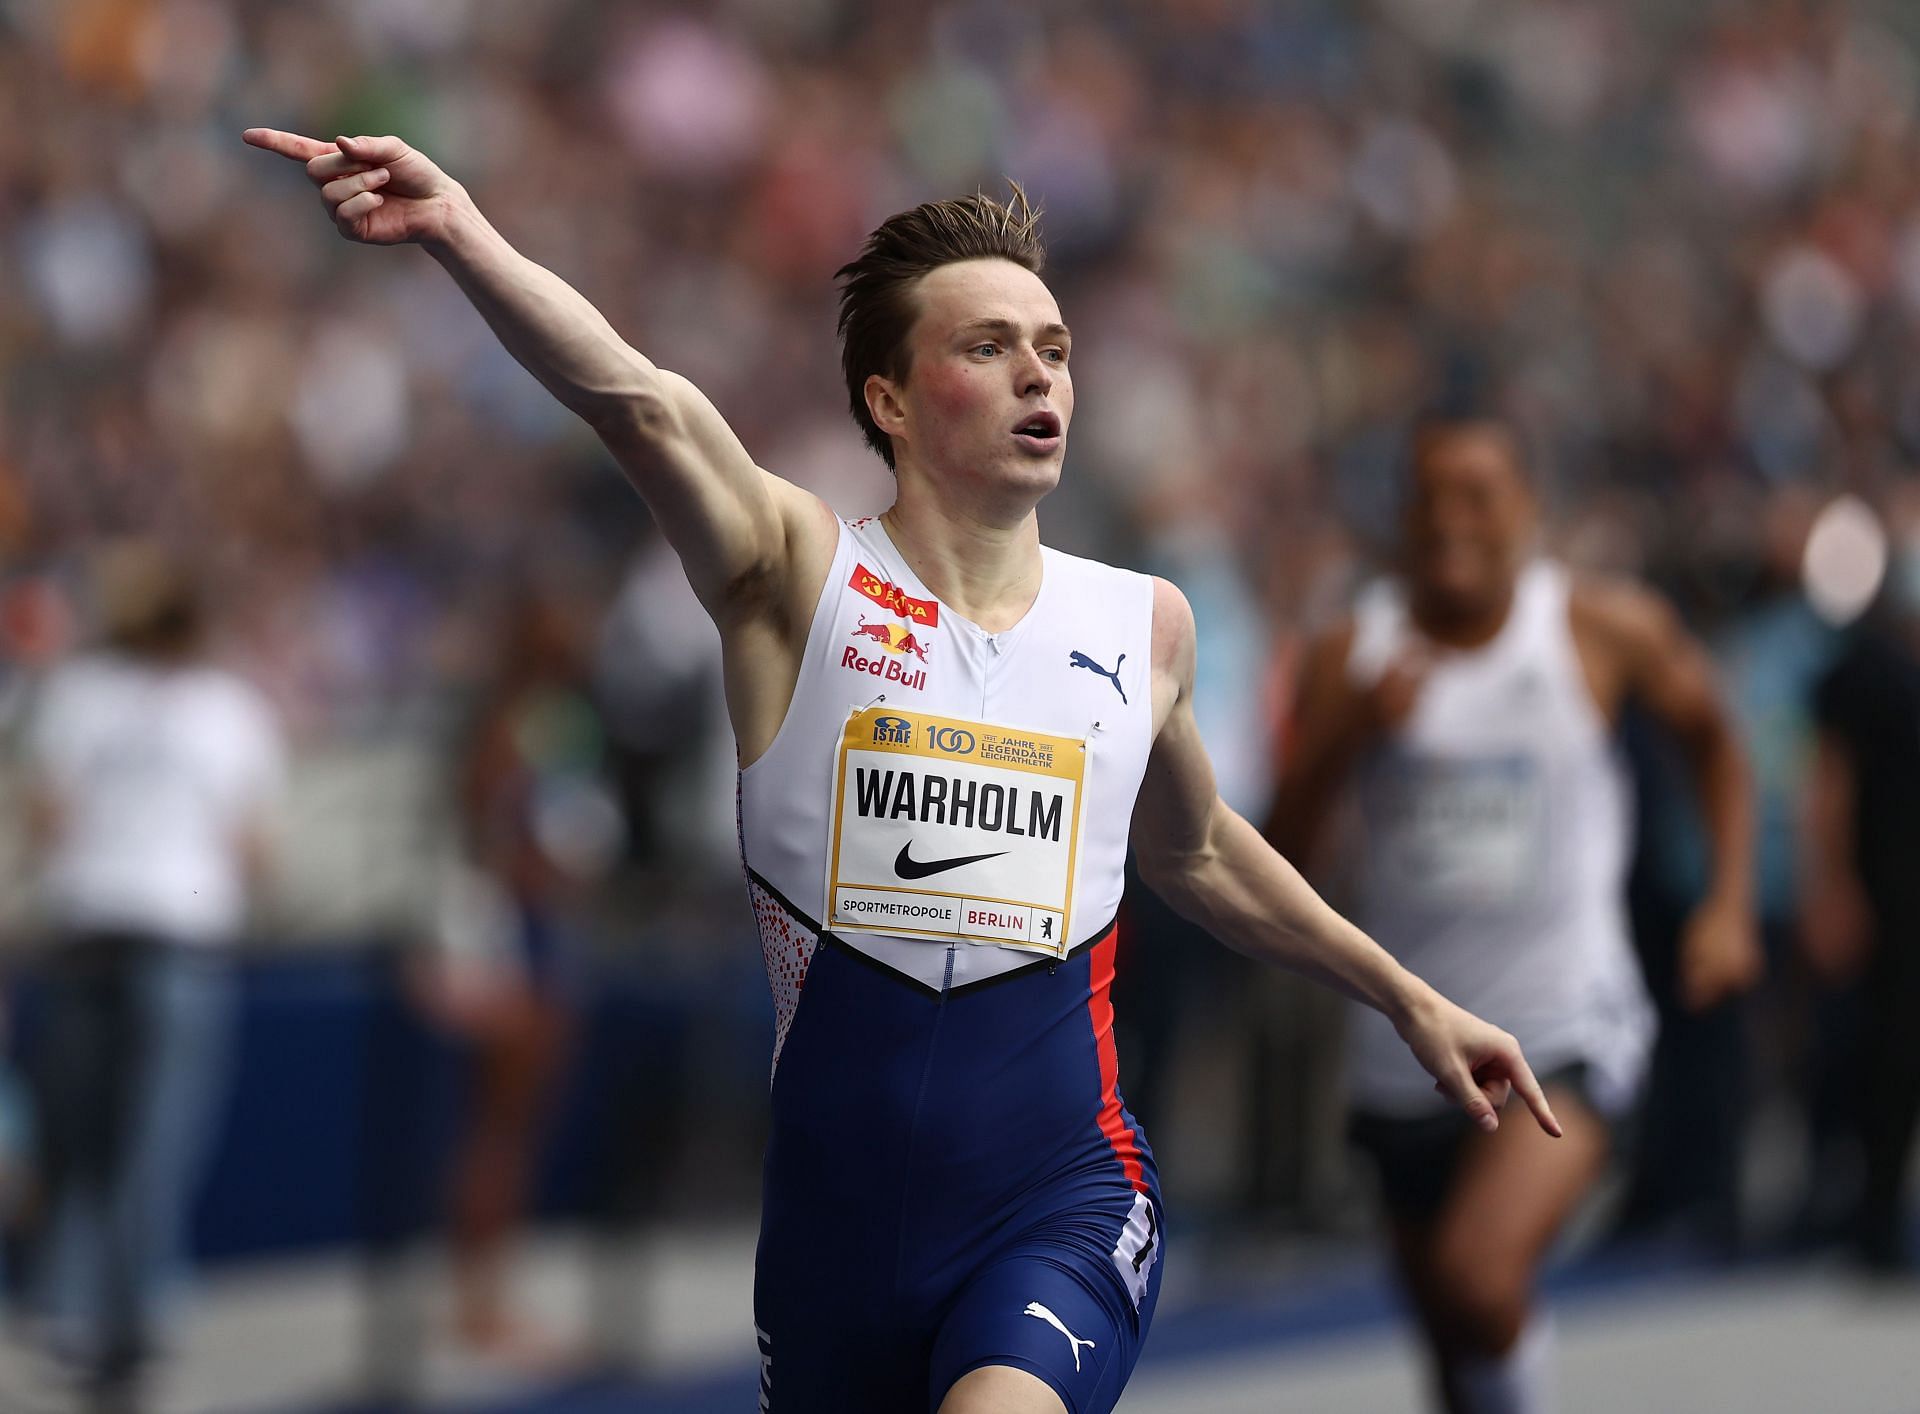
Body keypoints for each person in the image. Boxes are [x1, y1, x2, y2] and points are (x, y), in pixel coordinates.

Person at [244, 126, 1561, 1414]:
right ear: (889, 396)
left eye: (1053, 348)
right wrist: (460, 229)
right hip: (836, 1244)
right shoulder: (796, 577)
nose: (1039, 377)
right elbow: (639, 402)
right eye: (988, 348)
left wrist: (1405, 995)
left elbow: (1198, 846)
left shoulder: (1140, 624)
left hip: (1066, 1195)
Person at [1268, 416, 1759, 1414]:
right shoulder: (1350, 653)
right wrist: (1350, 731)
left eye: (1479, 495)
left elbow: (1717, 743)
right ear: (1399, 516)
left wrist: (1729, 905)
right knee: (1452, 1347)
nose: (1452, 520)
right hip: (1403, 1050)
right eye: (1429, 497)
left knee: (1479, 1280)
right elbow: (1280, 853)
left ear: (1527, 510)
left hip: (1564, 1022)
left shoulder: (1598, 627)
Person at [19, 541, 284, 1412]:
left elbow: (48, 819)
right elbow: (252, 848)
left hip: (93, 926)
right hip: (169, 937)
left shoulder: (80, 695)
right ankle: (133, 1319)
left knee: (90, 1139)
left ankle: (77, 1313)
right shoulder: (227, 708)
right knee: (149, 1140)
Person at [1801, 525, 1920, 1275]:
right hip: (1890, 898)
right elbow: (1829, 784)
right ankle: (1870, 1220)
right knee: (1888, 1058)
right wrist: (1833, 886)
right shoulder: (1866, 671)